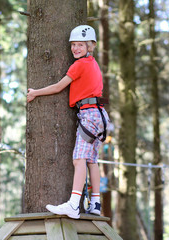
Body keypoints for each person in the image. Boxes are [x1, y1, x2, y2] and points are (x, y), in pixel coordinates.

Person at [27, 25, 110, 219]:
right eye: (73, 45)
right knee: (91, 160)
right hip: (100, 115)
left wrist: (35, 93)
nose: (75, 48)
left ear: (90, 46)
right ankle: (96, 202)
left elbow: (58, 87)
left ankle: (74, 204)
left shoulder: (79, 65)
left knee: (78, 158)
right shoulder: (93, 64)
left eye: (80, 45)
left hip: (90, 114)